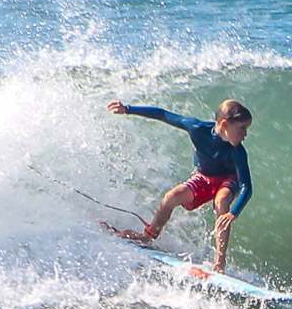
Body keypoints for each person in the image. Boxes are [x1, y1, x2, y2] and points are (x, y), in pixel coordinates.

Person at [105, 98, 253, 272]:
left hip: (228, 179)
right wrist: (128, 109)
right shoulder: (197, 129)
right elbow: (164, 115)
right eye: (242, 128)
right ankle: (149, 236)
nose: (245, 134)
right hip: (204, 177)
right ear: (225, 124)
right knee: (171, 197)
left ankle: (219, 262)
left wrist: (233, 213)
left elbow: (246, 187)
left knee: (222, 201)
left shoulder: (238, 152)